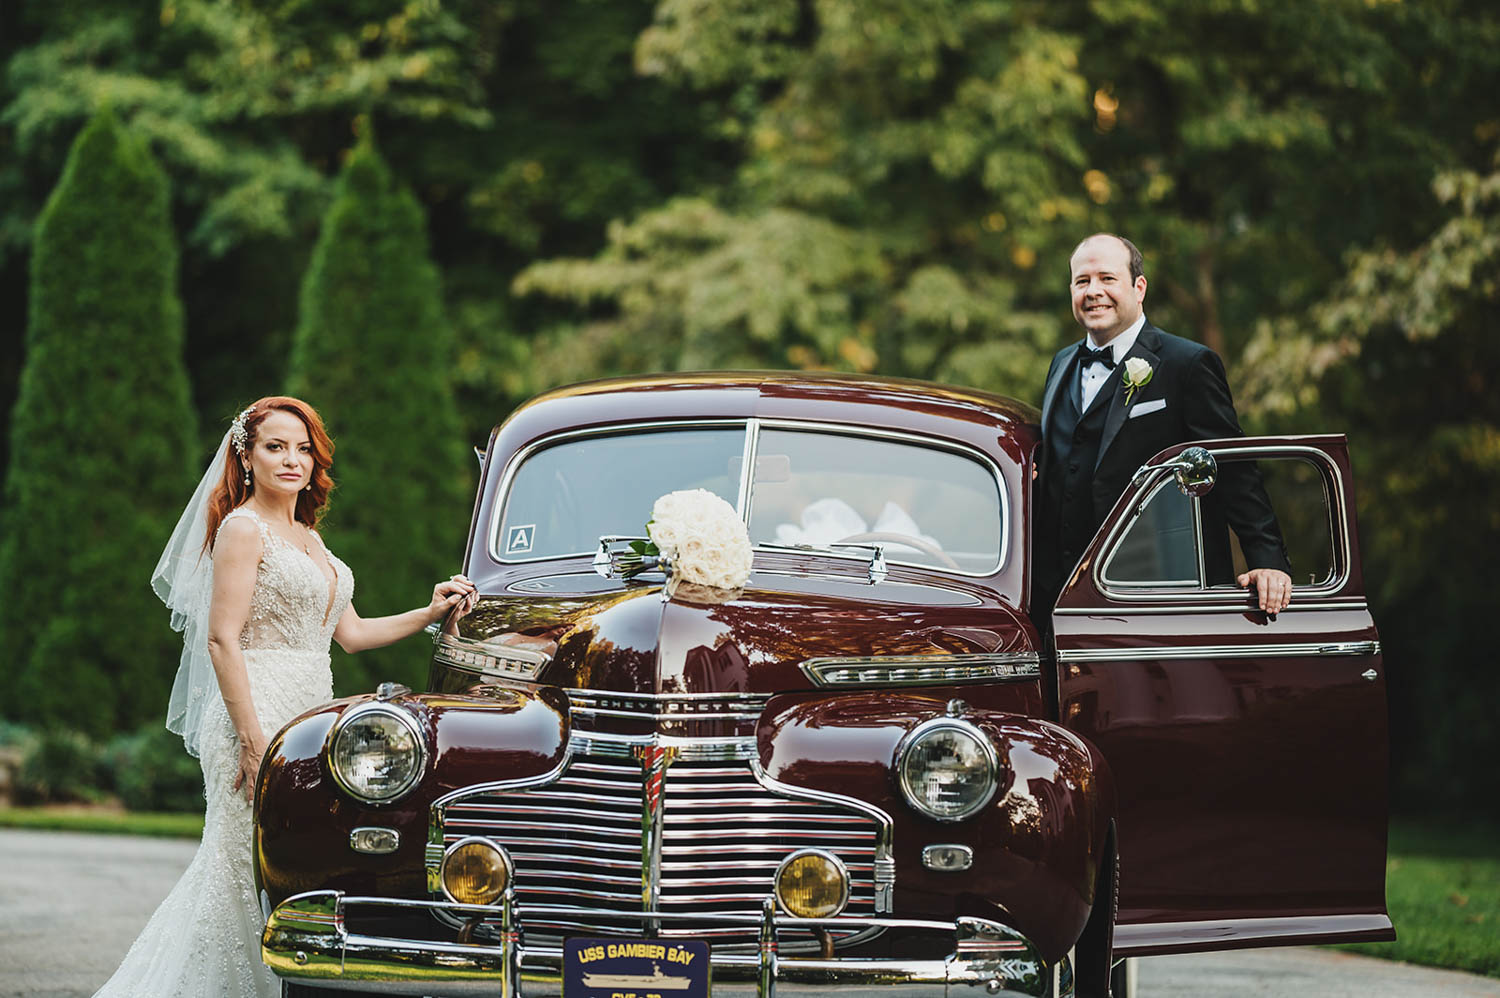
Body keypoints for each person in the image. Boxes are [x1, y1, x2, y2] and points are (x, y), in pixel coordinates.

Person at [94, 396, 477, 998]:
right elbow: (222, 639)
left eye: (303, 448)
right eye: (275, 447)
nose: (291, 460)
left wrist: (431, 612)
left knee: (294, 865)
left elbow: (350, 634)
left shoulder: (309, 537)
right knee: (241, 868)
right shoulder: (242, 530)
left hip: (311, 716)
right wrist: (251, 740)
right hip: (256, 714)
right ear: (247, 457)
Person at [1032, 233, 1292, 623]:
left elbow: (1234, 469)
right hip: (1060, 600)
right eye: (1082, 281)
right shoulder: (1062, 363)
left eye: (1107, 279)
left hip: (1158, 593)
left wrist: (1268, 559)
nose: (1093, 291)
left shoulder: (1187, 364)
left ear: (1139, 288)